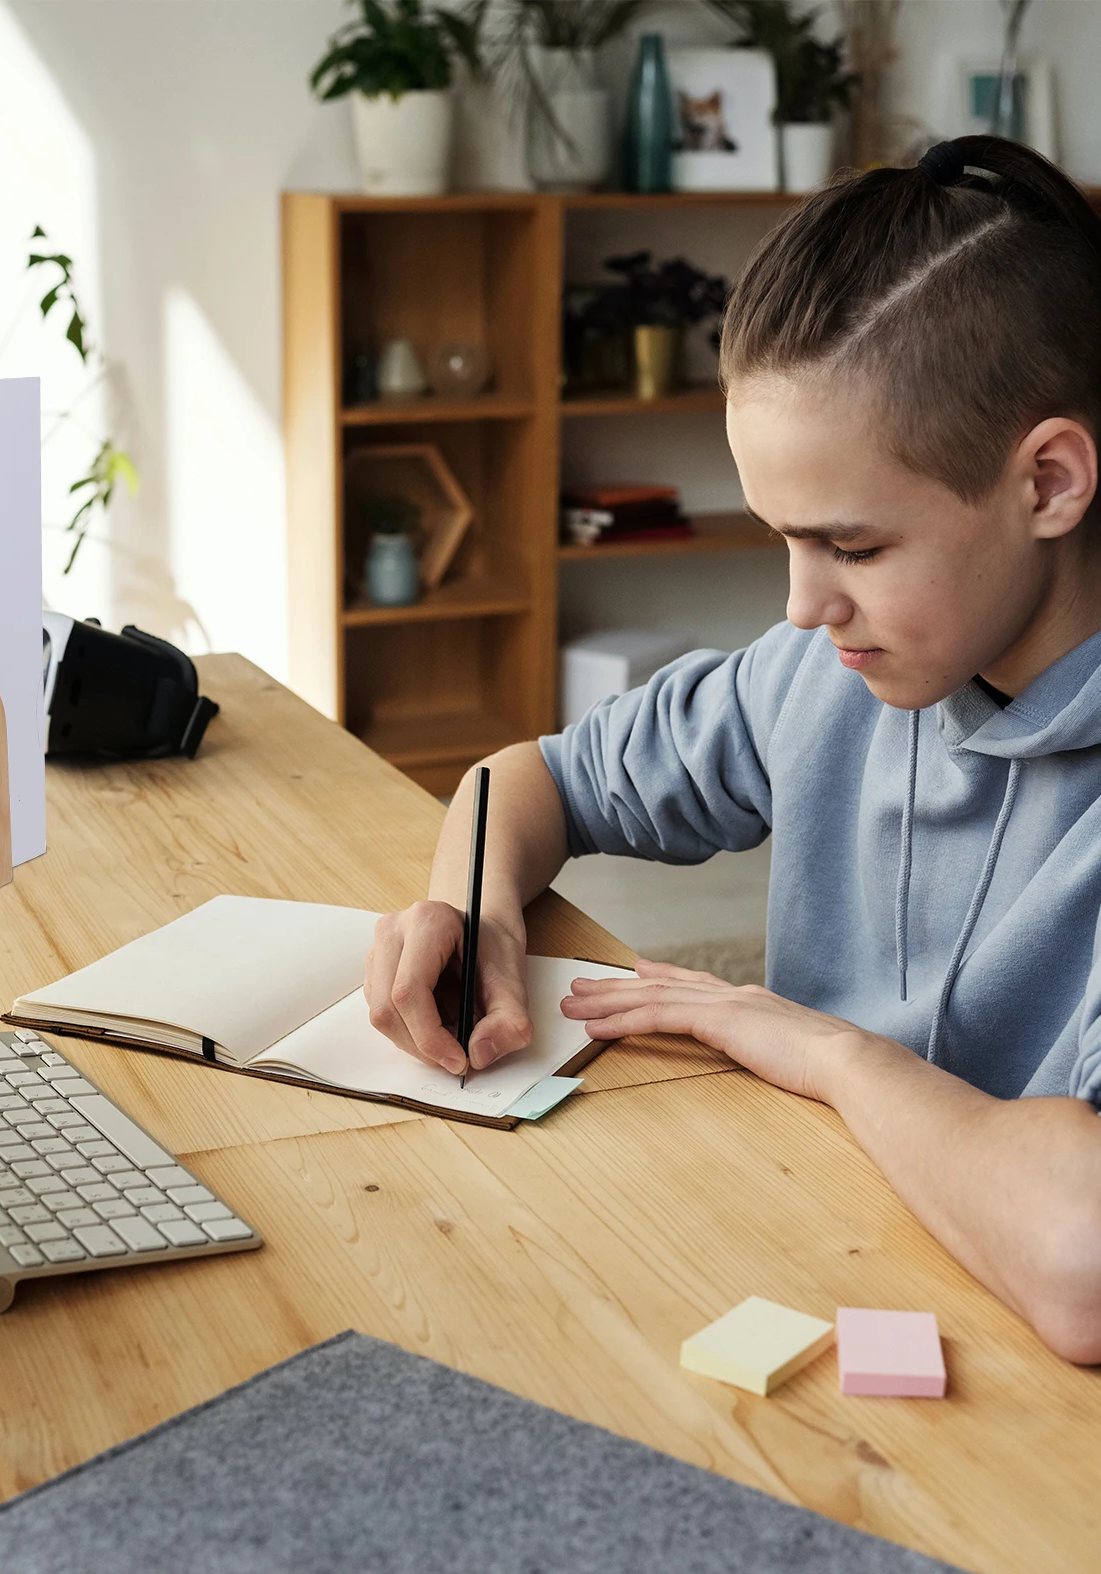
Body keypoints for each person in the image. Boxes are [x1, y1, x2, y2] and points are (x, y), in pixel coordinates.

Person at [365, 135, 1101, 1364]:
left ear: (1049, 482)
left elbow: (1082, 1263)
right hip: (817, 1263)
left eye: (853, 548)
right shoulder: (823, 673)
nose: (803, 604)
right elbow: (526, 781)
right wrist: (474, 908)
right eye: (781, 539)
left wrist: (813, 1044)